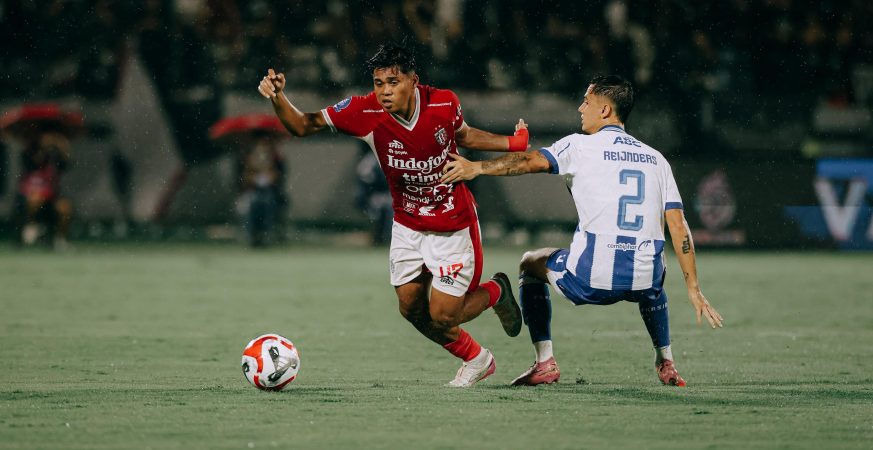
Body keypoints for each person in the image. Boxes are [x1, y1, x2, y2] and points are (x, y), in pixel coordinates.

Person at [258, 42, 529, 387]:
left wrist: (513, 143)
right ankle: (477, 359)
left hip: (453, 224)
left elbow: (463, 134)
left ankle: (496, 291)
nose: (384, 91)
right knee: (410, 309)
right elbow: (302, 125)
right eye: (378, 83)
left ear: (413, 81)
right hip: (408, 226)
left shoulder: (444, 102)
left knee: (444, 316)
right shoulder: (364, 112)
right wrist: (278, 97)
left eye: (393, 82)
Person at [441, 75, 723, 387]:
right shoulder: (657, 159)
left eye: (586, 102)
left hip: (593, 279)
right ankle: (665, 360)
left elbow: (528, 161)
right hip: (644, 280)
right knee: (651, 269)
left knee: (530, 262)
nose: (580, 108)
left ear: (604, 111)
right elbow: (679, 228)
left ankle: (544, 362)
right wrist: (694, 288)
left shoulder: (578, 145)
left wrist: (476, 167)